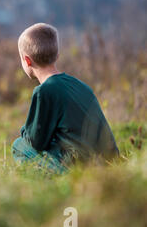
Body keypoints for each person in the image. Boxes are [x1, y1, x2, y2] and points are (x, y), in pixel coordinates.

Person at [12, 23, 119, 172]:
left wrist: (25, 130)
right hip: (109, 161)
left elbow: (36, 142)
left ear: (27, 61)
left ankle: (49, 181)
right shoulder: (80, 85)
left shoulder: (44, 91)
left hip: (80, 165)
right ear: (57, 55)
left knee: (19, 146)